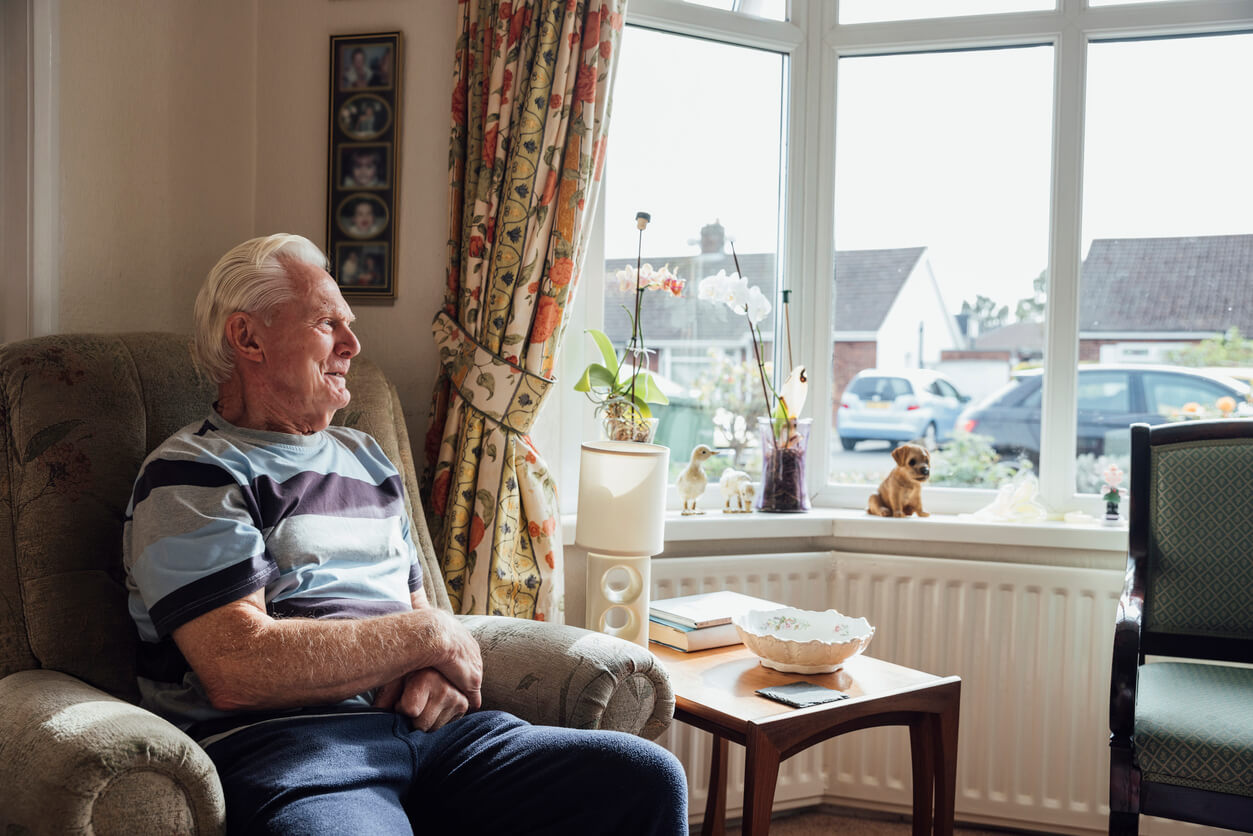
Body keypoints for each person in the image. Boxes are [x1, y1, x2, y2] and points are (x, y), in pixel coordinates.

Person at [122, 234, 687, 835]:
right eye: (327, 323)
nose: (353, 344)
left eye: (350, 324)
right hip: (295, 750)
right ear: (248, 337)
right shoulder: (191, 473)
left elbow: (414, 614)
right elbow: (238, 666)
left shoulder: (366, 457)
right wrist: (430, 635)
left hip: (437, 739)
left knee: (644, 778)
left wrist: (432, 666)